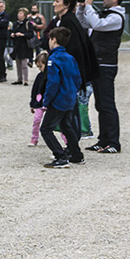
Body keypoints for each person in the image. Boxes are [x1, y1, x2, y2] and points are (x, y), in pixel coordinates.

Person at [42, 0, 99, 142]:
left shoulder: (69, 21)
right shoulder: (64, 19)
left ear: (66, 4)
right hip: (70, 73)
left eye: (57, 1)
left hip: (70, 74)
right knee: (69, 114)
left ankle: (74, 147)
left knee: (71, 113)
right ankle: (73, 148)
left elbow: (74, 50)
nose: (54, 4)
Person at [77, 0, 124, 153]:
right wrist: (81, 8)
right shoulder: (107, 15)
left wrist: (89, 6)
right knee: (100, 104)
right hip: (97, 63)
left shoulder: (117, 17)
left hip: (107, 64)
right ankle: (103, 140)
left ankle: (113, 142)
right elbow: (84, 23)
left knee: (107, 104)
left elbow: (96, 24)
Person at [40, 27, 84, 169]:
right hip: (70, 97)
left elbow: (53, 82)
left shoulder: (53, 59)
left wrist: (46, 100)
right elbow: (78, 78)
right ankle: (76, 154)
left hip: (58, 99)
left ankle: (60, 155)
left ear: (53, 40)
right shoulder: (70, 58)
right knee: (66, 125)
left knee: (46, 129)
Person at [28, 52, 49, 147]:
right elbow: (34, 90)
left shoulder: (52, 75)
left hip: (50, 103)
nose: (40, 69)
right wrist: (32, 103)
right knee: (36, 120)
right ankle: (34, 138)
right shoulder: (39, 76)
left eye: (41, 66)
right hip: (39, 102)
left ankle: (66, 141)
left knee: (58, 123)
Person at [10, 8, 34, 86]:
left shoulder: (28, 23)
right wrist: (12, 35)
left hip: (24, 45)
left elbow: (31, 34)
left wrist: (23, 34)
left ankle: (25, 79)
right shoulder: (15, 24)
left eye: (21, 13)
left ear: (25, 15)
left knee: (24, 63)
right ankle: (19, 78)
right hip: (17, 45)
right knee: (17, 63)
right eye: (18, 13)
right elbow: (12, 32)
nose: (19, 15)